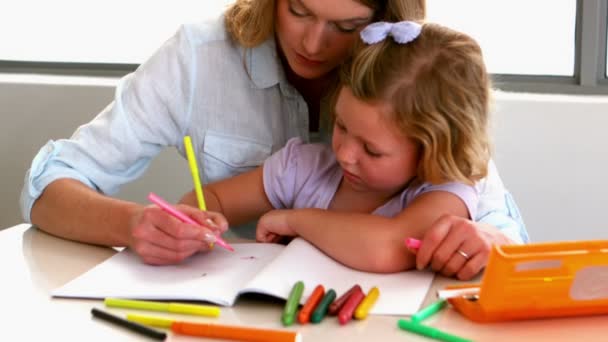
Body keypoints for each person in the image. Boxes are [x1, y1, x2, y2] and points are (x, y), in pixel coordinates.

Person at [20, 0, 527, 279]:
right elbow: (50, 183)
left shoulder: (416, 76)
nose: (312, 44)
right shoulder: (200, 58)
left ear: (383, 23)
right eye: (299, 10)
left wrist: (492, 244)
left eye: (346, 26)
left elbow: (499, 229)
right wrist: (144, 225)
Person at [179, 20, 505, 277]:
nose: (345, 154)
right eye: (341, 126)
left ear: (432, 151)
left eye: (372, 150)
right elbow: (212, 200)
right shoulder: (302, 167)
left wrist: (294, 221)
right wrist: (190, 219)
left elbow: (385, 247)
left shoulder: (445, 193)